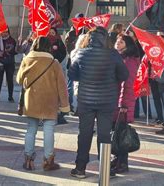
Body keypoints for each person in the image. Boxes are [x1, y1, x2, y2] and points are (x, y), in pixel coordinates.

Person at [68, 27, 129, 179]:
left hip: (86, 101)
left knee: (84, 134)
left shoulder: (81, 53)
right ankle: (105, 169)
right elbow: (124, 74)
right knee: (104, 135)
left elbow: (72, 74)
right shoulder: (113, 55)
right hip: (107, 100)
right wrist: (111, 79)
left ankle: (80, 168)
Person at [16, 36, 69, 171]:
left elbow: (19, 80)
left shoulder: (27, 59)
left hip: (31, 100)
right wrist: (65, 106)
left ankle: (28, 160)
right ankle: (48, 160)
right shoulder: (54, 63)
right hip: (49, 101)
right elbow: (62, 86)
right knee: (49, 130)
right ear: (49, 47)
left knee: (31, 130)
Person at [111, 35, 140, 173]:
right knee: (116, 133)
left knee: (121, 134)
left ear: (127, 45)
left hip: (122, 103)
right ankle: (117, 159)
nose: (117, 43)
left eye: (121, 41)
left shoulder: (129, 61)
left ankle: (122, 163)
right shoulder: (120, 57)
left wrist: (123, 104)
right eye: (117, 41)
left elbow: (128, 84)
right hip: (116, 101)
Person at [0, 30, 17, 102]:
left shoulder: (12, 40)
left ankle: (10, 97)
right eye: (2, 32)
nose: (4, 34)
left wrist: (9, 51)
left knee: (10, 80)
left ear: (8, 32)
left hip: (10, 62)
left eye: (6, 32)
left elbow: (16, 51)